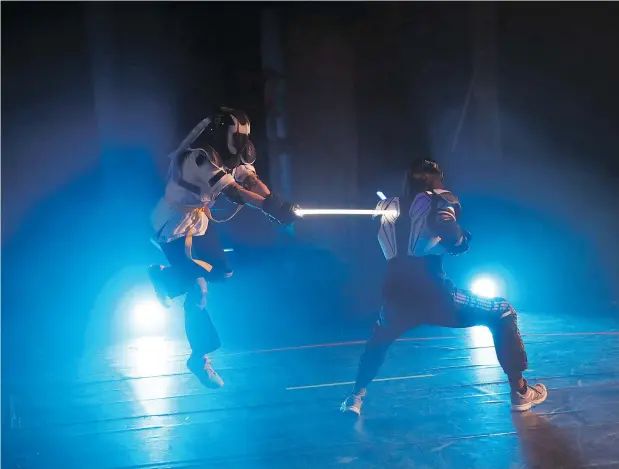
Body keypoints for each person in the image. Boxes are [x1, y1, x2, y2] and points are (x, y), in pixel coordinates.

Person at [340, 158, 547, 414]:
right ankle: (521, 392)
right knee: (503, 311)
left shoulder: (385, 205)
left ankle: (355, 397)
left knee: (378, 342)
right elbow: (451, 233)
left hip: (396, 294)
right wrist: (460, 240)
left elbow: (391, 240)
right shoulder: (438, 199)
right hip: (434, 294)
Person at [149, 107, 298, 388]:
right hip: (173, 225)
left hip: (198, 221)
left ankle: (164, 277)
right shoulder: (199, 157)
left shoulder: (235, 153)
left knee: (222, 272)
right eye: (235, 136)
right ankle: (199, 358)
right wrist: (270, 207)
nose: (240, 144)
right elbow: (234, 192)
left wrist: (276, 202)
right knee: (198, 290)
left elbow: (249, 180)